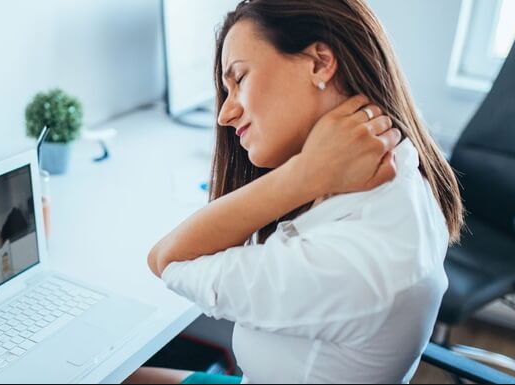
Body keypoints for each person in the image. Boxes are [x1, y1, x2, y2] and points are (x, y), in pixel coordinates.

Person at [128, 0, 463, 384]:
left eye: (239, 78)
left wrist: (302, 175)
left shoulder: (349, 260)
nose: (225, 113)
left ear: (319, 63)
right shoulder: (400, 168)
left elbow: (166, 260)